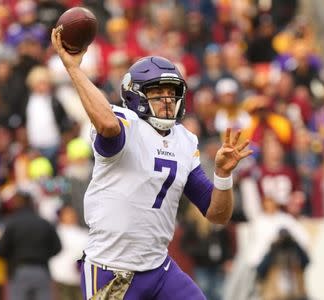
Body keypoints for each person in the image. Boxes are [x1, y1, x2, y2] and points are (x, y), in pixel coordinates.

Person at [51, 27, 253, 299]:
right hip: (113, 268)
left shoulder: (184, 140)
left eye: (172, 92)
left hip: (158, 267)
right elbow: (108, 125)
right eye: (159, 92)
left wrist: (223, 175)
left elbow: (217, 215)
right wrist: (73, 68)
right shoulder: (125, 122)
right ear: (135, 95)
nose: (168, 99)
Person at [0, 190, 61, 300]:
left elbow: (0, 250)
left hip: (18, 271)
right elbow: (57, 247)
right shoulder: (44, 223)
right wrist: (42, 256)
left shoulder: (11, 223)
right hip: (42, 270)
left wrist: (12, 257)